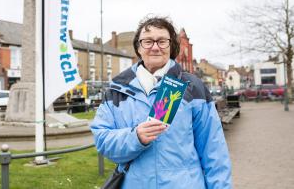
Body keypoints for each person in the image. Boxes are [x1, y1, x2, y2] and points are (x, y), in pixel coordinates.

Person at [91, 16, 232, 188]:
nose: (155, 47)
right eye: (148, 41)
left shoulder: (193, 87)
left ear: (171, 46)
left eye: (162, 41)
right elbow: (103, 140)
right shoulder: (117, 89)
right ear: (138, 47)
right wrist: (135, 138)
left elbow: (214, 151)